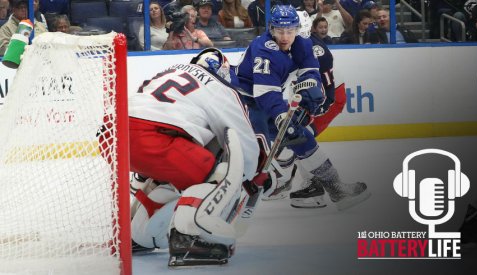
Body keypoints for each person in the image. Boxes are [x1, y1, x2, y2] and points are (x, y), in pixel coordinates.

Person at [129, 48, 261, 266]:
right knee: (217, 171)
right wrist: (248, 177)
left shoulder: (170, 71)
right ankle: (190, 238)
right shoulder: (220, 87)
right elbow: (244, 141)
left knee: (173, 172)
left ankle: (139, 233)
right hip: (152, 137)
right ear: (223, 71)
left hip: (116, 135)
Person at [236, 5, 369, 209]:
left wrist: (310, 90)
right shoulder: (264, 49)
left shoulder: (303, 43)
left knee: (299, 135)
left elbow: (311, 71)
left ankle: (336, 189)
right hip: (242, 102)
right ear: (271, 29)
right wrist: (281, 114)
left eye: (290, 31)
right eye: (280, 30)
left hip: (263, 101)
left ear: (297, 30)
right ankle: (234, 193)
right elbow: (265, 93)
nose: (284, 36)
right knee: (257, 149)